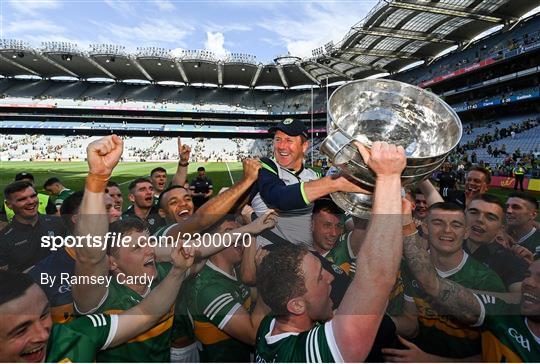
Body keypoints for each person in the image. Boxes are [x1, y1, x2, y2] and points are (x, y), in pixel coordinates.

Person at [255, 141, 408, 362]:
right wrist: (389, 177)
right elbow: (376, 277)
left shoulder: (268, 326)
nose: (329, 276)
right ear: (296, 305)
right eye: (319, 277)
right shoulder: (311, 354)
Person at [0, 240, 194, 363]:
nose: (42, 334)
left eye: (44, 315)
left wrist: (177, 271)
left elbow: (144, 314)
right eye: (20, 330)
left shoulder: (76, 336)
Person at [397, 225, 540, 361]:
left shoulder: (488, 278)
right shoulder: (502, 315)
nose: (528, 282)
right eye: (527, 275)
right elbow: (432, 285)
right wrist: (431, 360)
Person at [389, 202, 506, 360]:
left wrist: (429, 361)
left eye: (456, 225)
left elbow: (493, 355)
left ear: (466, 232)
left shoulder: (487, 281)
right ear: (424, 227)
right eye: (438, 223)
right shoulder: (410, 268)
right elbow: (411, 324)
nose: (447, 230)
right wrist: (383, 322)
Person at [251, 118, 367, 248]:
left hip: (309, 253)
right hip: (272, 252)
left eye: (289, 140)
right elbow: (278, 198)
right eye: (278, 139)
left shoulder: (313, 176)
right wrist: (334, 183)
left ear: (304, 146)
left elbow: (330, 211)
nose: (282, 146)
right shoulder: (265, 166)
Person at [187, 216, 273, 362]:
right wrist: (265, 277)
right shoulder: (209, 288)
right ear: (212, 242)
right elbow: (253, 335)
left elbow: (255, 296)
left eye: (240, 231)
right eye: (230, 232)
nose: (239, 236)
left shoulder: (235, 272)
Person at [465, 194, 528, 292]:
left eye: (490, 217)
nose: (480, 219)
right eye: (474, 212)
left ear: (501, 228)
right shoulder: (444, 245)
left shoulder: (511, 262)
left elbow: (518, 298)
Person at [0, 181, 66, 272]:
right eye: (22, 199)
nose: (31, 201)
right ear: (9, 205)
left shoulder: (58, 223)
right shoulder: (4, 239)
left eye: (33, 196)